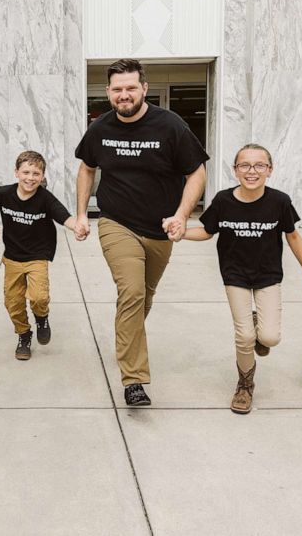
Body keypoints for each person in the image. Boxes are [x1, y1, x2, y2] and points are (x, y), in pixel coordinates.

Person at [74, 58, 208, 407]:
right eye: (117, 89)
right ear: (108, 92)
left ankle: (126, 336)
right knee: (132, 293)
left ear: (144, 89)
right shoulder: (100, 128)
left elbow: (196, 172)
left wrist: (182, 214)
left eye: (131, 87)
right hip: (116, 223)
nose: (124, 95)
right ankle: (134, 380)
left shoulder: (171, 126)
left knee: (142, 299)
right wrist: (80, 215)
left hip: (162, 229)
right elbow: (87, 169)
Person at [177, 144, 302, 414]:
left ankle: (259, 326)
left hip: (268, 275)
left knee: (269, 338)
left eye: (259, 165)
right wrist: (181, 233)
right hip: (235, 275)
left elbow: (293, 237)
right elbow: (207, 231)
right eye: (244, 165)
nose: (252, 171)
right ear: (235, 171)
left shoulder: (279, 201)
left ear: (270, 170)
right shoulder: (223, 200)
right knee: (244, 336)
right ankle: (245, 385)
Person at [0, 150, 78, 361]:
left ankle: (42, 319)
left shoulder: (45, 198)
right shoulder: (5, 193)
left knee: (39, 297)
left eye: (36, 173)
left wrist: (77, 227)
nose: (30, 178)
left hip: (37, 256)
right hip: (12, 257)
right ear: (16, 173)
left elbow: (63, 216)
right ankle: (24, 334)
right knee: (12, 303)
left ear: (42, 177)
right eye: (26, 172)